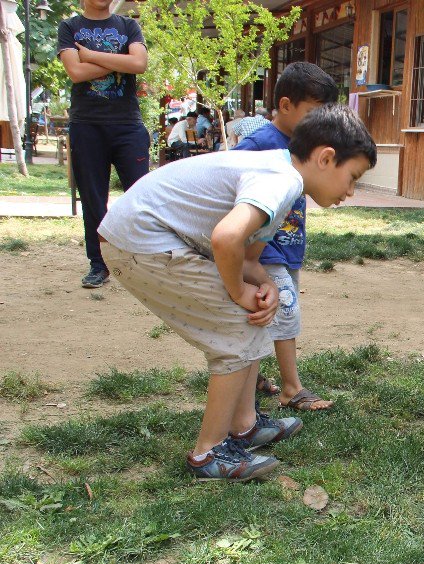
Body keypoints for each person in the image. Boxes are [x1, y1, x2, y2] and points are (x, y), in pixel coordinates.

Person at [97, 104, 377, 480]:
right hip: (140, 239)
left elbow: (247, 257)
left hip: (141, 236)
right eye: (353, 177)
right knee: (237, 322)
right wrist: (237, 292)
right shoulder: (282, 180)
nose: (352, 191)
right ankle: (207, 453)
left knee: (255, 313)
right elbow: (226, 238)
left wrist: (264, 287)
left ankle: (244, 425)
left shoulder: (281, 174)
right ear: (327, 158)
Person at [233, 62, 339, 411]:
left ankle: (256, 377)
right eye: (312, 113)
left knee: (266, 313)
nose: (319, 123)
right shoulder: (260, 143)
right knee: (286, 310)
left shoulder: (304, 144)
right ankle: (292, 389)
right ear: (285, 105)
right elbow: (229, 181)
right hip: (261, 250)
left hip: (290, 245)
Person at [57, 0, 150, 289]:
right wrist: (118, 60)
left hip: (127, 125)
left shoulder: (128, 26)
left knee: (143, 197)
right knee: (93, 200)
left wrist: (91, 56)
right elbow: (76, 72)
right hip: (87, 125)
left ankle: (146, 262)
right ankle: (99, 265)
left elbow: (140, 64)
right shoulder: (69, 27)